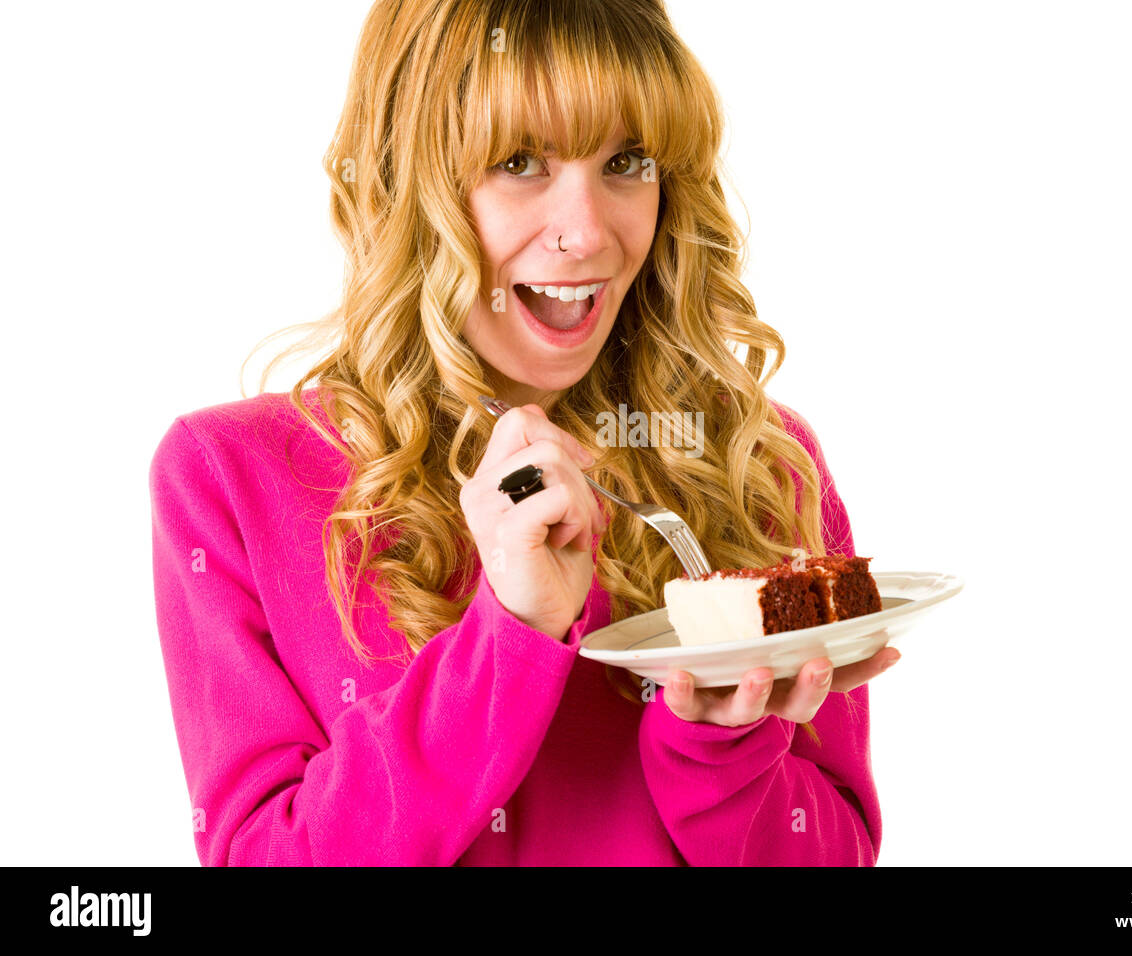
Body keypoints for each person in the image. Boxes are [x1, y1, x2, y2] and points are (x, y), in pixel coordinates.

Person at [149, 0, 900, 866]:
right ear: (407, 181)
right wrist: (510, 633)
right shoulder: (230, 478)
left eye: (625, 161)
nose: (586, 233)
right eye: (519, 162)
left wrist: (724, 748)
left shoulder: (761, 463)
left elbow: (835, 853)